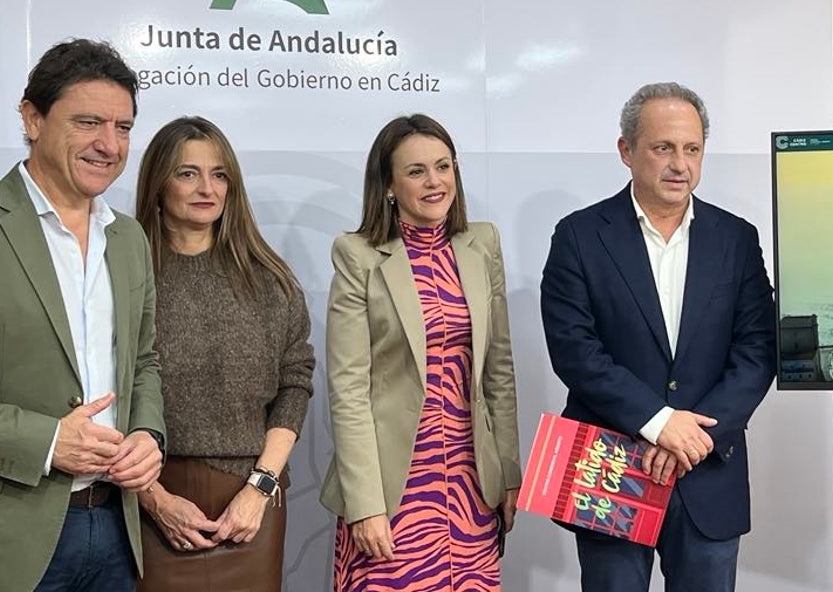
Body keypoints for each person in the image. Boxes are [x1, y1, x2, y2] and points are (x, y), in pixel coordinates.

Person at [0, 39, 166, 592]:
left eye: (123, 128)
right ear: (32, 118)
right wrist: (47, 441)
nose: (109, 144)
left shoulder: (129, 239)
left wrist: (148, 434)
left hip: (115, 530)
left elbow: (142, 363)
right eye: (89, 122)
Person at [540, 82, 776, 592]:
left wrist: (694, 436)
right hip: (612, 464)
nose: (680, 164)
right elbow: (574, 351)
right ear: (626, 151)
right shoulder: (579, 235)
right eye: (663, 147)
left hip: (707, 466)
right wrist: (659, 422)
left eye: (692, 149)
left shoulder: (736, 238)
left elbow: (757, 349)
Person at [320, 114, 520, 591]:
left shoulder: (482, 243)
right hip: (394, 490)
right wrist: (366, 504)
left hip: (473, 487)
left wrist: (509, 475)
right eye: (416, 171)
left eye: (443, 166)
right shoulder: (358, 255)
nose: (435, 182)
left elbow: (499, 373)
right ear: (388, 185)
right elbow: (348, 390)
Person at [132, 116, 314, 592]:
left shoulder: (270, 280)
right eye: (187, 173)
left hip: (251, 504)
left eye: (219, 174)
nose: (206, 188)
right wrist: (153, 500)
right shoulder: (124, 276)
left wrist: (259, 490)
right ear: (157, 182)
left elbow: (294, 386)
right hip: (150, 500)